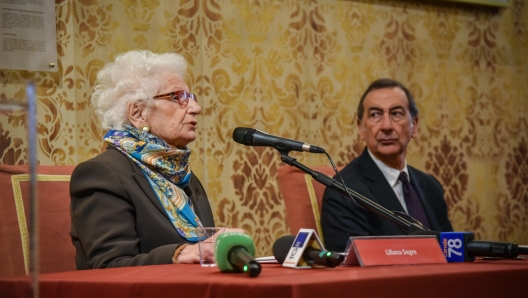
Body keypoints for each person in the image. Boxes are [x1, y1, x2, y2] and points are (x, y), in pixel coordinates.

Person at [70, 50, 216, 269]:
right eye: (177, 97)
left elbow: (202, 254)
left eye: (191, 98)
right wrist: (178, 254)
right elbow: (109, 266)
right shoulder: (101, 175)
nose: (196, 108)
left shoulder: (181, 174)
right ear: (138, 113)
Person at [320, 78, 453, 252]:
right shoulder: (343, 191)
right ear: (361, 128)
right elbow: (353, 267)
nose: (386, 126)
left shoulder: (430, 187)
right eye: (375, 115)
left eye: (396, 113)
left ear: (415, 126)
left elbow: (451, 252)